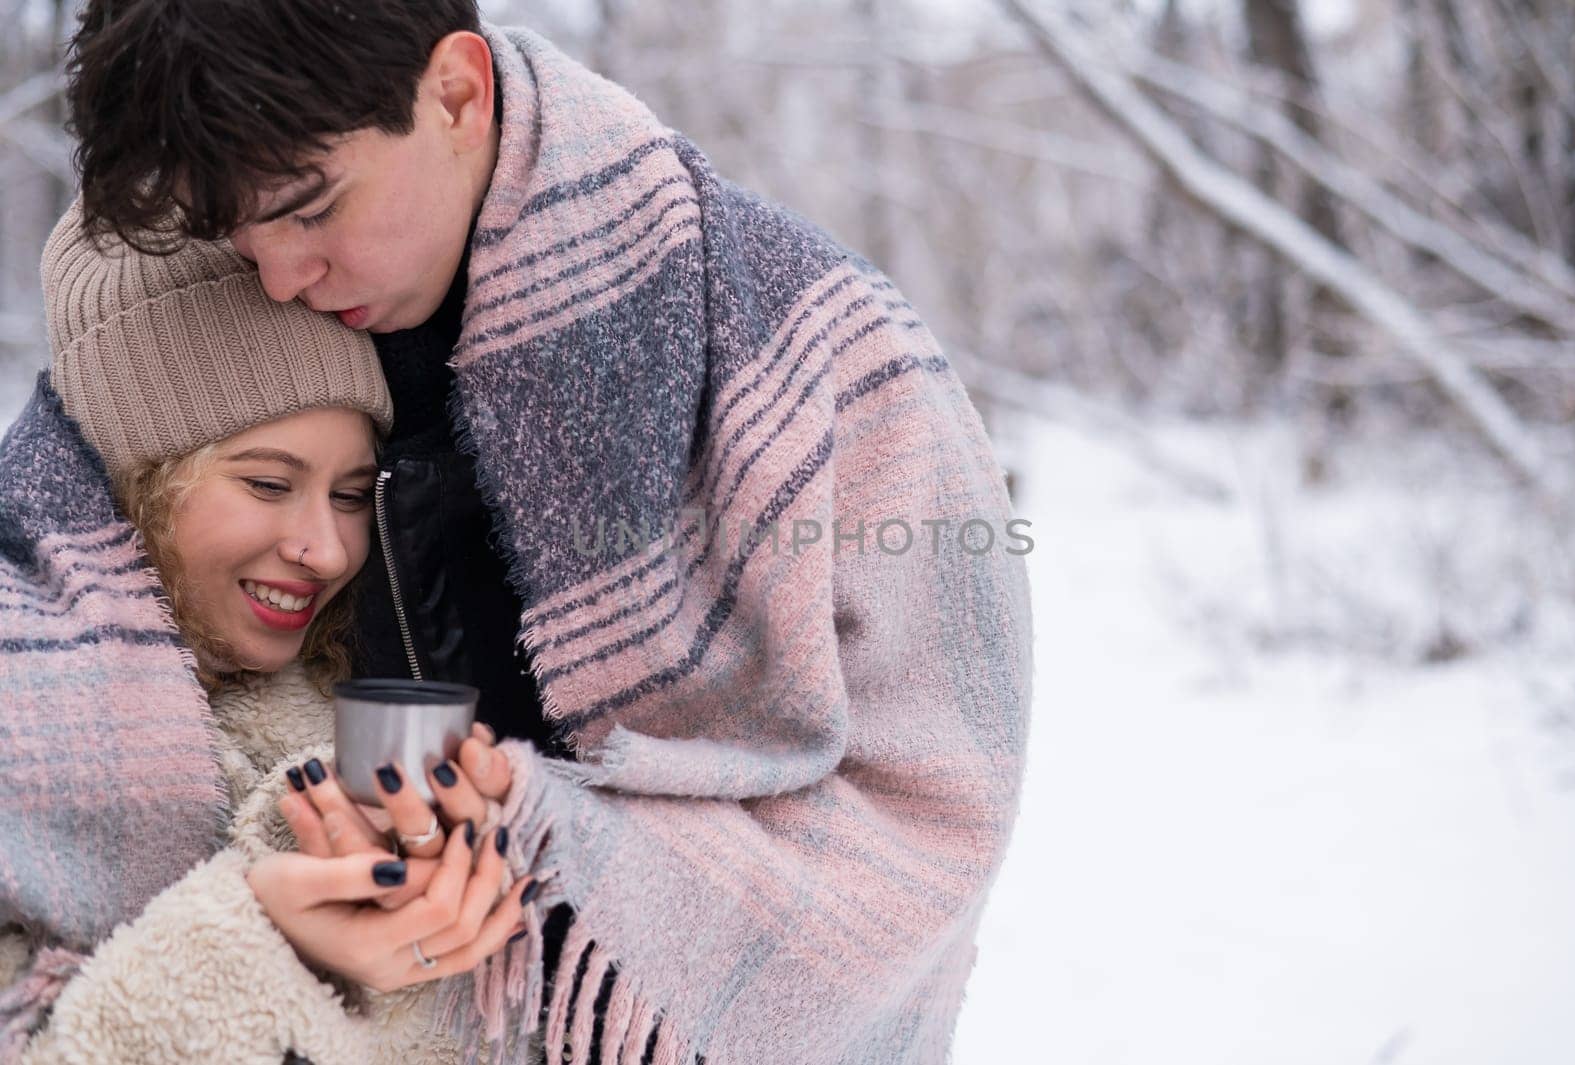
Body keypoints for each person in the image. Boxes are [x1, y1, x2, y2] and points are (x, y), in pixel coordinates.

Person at [59, 2, 1035, 1062]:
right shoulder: (201, 303)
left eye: (309, 208)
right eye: (239, 232)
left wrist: (550, 839)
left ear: (456, 95)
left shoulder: (824, 359)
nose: (283, 275)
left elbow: (931, 823)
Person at [0, 207, 533, 1063]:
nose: (325, 549)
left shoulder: (359, 697)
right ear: (139, 477)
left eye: (353, 495)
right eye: (267, 482)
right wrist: (264, 942)